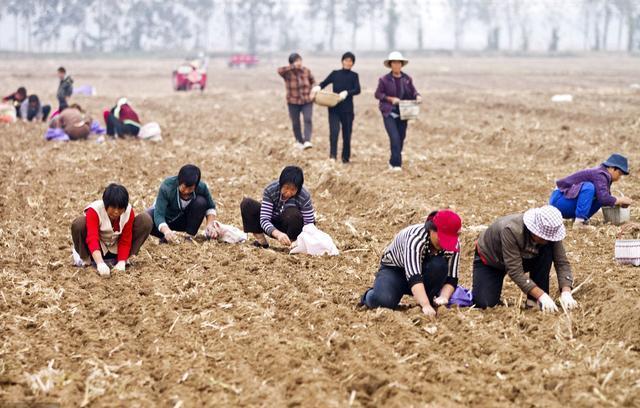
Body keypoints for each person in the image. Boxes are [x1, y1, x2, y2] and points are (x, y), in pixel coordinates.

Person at [472, 206, 578, 312]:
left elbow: (562, 262)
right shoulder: (511, 229)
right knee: (484, 304)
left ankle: (534, 302)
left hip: (525, 257)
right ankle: (539, 297)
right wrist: (542, 295)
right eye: (542, 237)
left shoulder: (551, 233)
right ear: (533, 229)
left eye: (548, 238)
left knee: (547, 250)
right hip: (492, 261)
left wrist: (566, 291)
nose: (546, 240)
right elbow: (515, 270)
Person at [359, 210, 462, 317]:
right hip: (396, 271)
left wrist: (444, 297)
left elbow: (452, 278)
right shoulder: (416, 238)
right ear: (431, 230)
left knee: (439, 265)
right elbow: (414, 277)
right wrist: (425, 305)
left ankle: (428, 298)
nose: (445, 244)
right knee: (383, 301)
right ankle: (369, 296)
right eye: (443, 238)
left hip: (425, 271)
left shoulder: (454, 245)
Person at [71, 183, 153, 277]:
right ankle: (87, 261)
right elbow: (92, 238)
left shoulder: (128, 212)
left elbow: (125, 239)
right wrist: (100, 263)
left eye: (120, 208)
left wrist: (121, 261)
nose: (116, 212)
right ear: (106, 204)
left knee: (145, 220)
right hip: (97, 249)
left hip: (116, 247)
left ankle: (124, 260)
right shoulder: (94, 210)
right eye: (113, 207)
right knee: (79, 224)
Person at [240, 166, 315, 248]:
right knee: (247, 204)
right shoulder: (271, 190)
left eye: (293, 190)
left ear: (299, 188)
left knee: (293, 214)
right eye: (286, 188)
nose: (288, 192)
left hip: (291, 225)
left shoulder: (304, 196)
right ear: (281, 184)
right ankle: (261, 242)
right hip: (272, 223)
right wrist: (278, 234)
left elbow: (309, 224)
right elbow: (264, 219)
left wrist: (300, 240)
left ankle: (293, 244)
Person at [550, 154, 632, 227]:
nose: (619, 177)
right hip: (559, 200)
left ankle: (579, 219)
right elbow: (604, 198)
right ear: (612, 168)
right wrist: (620, 199)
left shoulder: (603, 176)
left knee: (600, 198)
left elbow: (605, 200)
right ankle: (579, 223)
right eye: (619, 174)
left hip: (564, 203)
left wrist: (618, 204)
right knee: (589, 187)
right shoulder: (600, 174)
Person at [374, 51, 422, 171]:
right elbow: (378, 94)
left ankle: (392, 161)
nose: (396, 65)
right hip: (389, 112)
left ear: (401, 64)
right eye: (394, 63)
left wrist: (418, 96)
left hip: (404, 112)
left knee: (401, 138)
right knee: (394, 137)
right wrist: (390, 99)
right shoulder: (384, 79)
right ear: (390, 65)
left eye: (398, 63)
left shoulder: (407, 79)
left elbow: (413, 91)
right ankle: (397, 165)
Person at [147, 164, 218, 243]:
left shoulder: (202, 187)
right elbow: (159, 214)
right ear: (179, 181)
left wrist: (209, 225)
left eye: (190, 188)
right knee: (147, 218)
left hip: (184, 221)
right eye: (184, 187)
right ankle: (166, 237)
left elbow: (210, 207)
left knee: (201, 202)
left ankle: (188, 237)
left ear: (196, 185)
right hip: (166, 220)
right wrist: (166, 231)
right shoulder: (167, 186)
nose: (186, 191)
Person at [314, 52, 361, 163]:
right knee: (334, 132)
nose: (348, 63)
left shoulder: (354, 76)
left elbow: (357, 90)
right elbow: (324, 83)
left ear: (353, 63)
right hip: (334, 107)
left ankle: (345, 158)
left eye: (350, 61)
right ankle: (333, 156)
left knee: (347, 134)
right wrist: (318, 87)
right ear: (342, 61)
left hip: (348, 110)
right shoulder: (335, 74)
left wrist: (347, 93)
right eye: (346, 60)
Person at [278, 53, 316, 150]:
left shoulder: (306, 71)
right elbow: (279, 71)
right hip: (293, 101)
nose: (299, 63)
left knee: (308, 119)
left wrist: (314, 91)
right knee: (295, 122)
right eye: (296, 61)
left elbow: (313, 82)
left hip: (307, 100)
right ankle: (299, 141)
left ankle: (307, 140)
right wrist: (292, 67)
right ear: (291, 63)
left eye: (300, 60)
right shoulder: (287, 73)